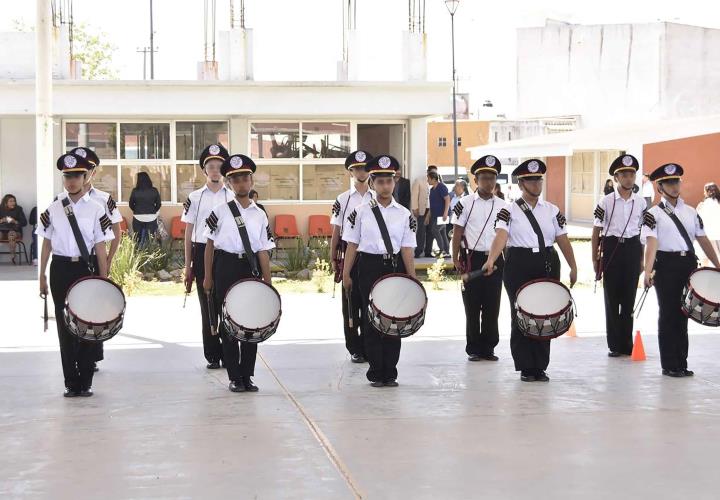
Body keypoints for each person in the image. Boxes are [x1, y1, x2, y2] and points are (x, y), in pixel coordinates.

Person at [483, 159, 578, 382]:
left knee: (546, 314)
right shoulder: (508, 210)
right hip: (519, 263)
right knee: (522, 314)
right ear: (521, 183)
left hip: (547, 261)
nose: (536, 184)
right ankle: (526, 366)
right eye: (531, 180)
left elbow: (563, 239)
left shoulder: (552, 210)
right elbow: (501, 236)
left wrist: (573, 266)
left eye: (538, 180)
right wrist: (491, 260)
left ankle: (540, 366)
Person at [37, 153, 114, 397]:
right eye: (67, 177)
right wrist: (41, 276)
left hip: (84, 269)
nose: (71, 181)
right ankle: (71, 382)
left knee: (88, 324)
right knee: (64, 326)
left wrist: (103, 279)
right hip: (60, 269)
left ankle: (86, 380)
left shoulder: (96, 209)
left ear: (85, 177)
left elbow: (100, 247)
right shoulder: (54, 208)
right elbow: (47, 243)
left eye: (76, 176)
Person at [342, 155, 417, 387]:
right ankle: (376, 371)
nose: (385, 186)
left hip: (394, 267)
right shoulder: (360, 212)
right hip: (368, 267)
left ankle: (390, 371)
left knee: (394, 319)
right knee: (372, 319)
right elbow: (352, 245)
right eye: (380, 181)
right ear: (372, 183)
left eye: (389, 181)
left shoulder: (405, 214)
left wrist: (412, 278)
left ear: (395, 182)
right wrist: (346, 274)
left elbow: (407, 249)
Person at [203, 153, 275, 393]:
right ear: (229, 183)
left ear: (251, 181)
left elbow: (264, 250)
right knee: (229, 323)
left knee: (251, 323)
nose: (241, 183)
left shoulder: (260, 214)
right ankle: (234, 376)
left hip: (250, 267)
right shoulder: (220, 212)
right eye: (236, 180)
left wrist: (268, 282)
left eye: (245, 179)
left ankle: (247, 375)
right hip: (225, 267)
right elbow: (210, 246)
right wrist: (207, 277)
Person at [641, 163, 719, 377]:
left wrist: (717, 263)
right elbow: (652, 242)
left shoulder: (691, 212)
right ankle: (669, 364)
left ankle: (681, 363)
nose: (674, 186)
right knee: (668, 314)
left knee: (684, 313)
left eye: (676, 181)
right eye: (669, 182)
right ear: (660, 187)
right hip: (665, 265)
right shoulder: (653, 214)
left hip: (687, 264)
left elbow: (702, 239)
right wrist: (647, 271)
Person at [68, 147, 124, 371]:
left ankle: (91, 357)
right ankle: (75, 357)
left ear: (93, 171)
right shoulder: (64, 200)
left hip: (94, 260)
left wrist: (108, 261)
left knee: (93, 309)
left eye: (89, 168)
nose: (85, 172)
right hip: (70, 262)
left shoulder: (103, 199)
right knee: (73, 308)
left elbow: (116, 231)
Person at [182, 143, 232, 370]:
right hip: (202, 252)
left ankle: (228, 350)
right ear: (204, 170)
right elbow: (188, 231)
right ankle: (212, 354)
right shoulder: (194, 197)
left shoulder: (232, 195)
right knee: (207, 303)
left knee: (226, 303)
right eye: (210, 166)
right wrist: (187, 265)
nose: (215, 170)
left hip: (225, 254)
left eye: (219, 166)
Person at [591, 154, 646, 357]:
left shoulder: (641, 203)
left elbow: (643, 234)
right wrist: (595, 259)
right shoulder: (605, 201)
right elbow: (596, 231)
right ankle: (615, 345)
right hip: (613, 248)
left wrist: (642, 259)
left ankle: (626, 343)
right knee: (612, 299)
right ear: (616, 178)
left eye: (631, 174)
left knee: (629, 299)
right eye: (624, 174)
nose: (628, 178)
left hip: (632, 249)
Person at [452, 155, 505, 362]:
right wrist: (455, 257)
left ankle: (488, 348)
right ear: (476, 180)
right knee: (472, 306)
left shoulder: (504, 205)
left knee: (493, 306)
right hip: (472, 258)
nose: (489, 182)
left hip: (495, 260)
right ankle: (473, 348)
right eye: (484, 178)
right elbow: (457, 231)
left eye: (492, 178)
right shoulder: (464, 203)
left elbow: (505, 235)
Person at [330, 150, 375, 363]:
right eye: (357, 168)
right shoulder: (342, 199)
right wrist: (332, 257)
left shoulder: (378, 197)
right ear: (351, 172)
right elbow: (336, 230)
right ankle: (354, 347)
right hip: (349, 255)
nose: (361, 171)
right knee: (350, 302)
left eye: (365, 168)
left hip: (370, 254)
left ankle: (368, 345)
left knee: (369, 303)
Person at [129, 172, 161, 246]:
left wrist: (136, 210)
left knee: (137, 239)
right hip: (151, 217)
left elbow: (131, 204)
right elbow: (158, 204)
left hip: (138, 217)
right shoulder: (154, 190)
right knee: (150, 239)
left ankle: (137, 255)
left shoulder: (135, 191)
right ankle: (150, 255)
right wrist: (153, 211)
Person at [411, 166, 433, 258]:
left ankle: (428, 251)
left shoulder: (437, 181)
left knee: (431, 231)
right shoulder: (419, 180)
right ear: (428, 172)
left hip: (433, 210)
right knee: (421, 231)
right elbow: (414, 195)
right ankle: (418, 251)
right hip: (422, 210)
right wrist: (415, 208)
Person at [428, 171, 450, 258]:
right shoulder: (432, 189)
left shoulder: (441, 187)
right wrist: (428, 216)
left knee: (435, 230)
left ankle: (443, 250)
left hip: (442, 215)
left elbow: (447, 199)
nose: (427, 180)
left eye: (428, 179)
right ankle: (447, 252)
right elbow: (432, 203)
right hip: (435, 215)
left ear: (433, 179)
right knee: (442, 232)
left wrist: (445, 213)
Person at [0, 194, 27, 264]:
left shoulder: (19, 209)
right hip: (2, 231)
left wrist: (14, 221)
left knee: (11, 234)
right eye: (11, 201)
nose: (13, 203)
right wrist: (1, 220)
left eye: (14, 201)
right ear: (5, 203)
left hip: (15, 231)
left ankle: (13, 254)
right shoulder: (0, 209)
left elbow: (24, 222)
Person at [696, 182, 720, 260]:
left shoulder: (704, 204)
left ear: (707, 192)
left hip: (710, 235)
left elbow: (698, 217)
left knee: (711, 258)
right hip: (716, 234)